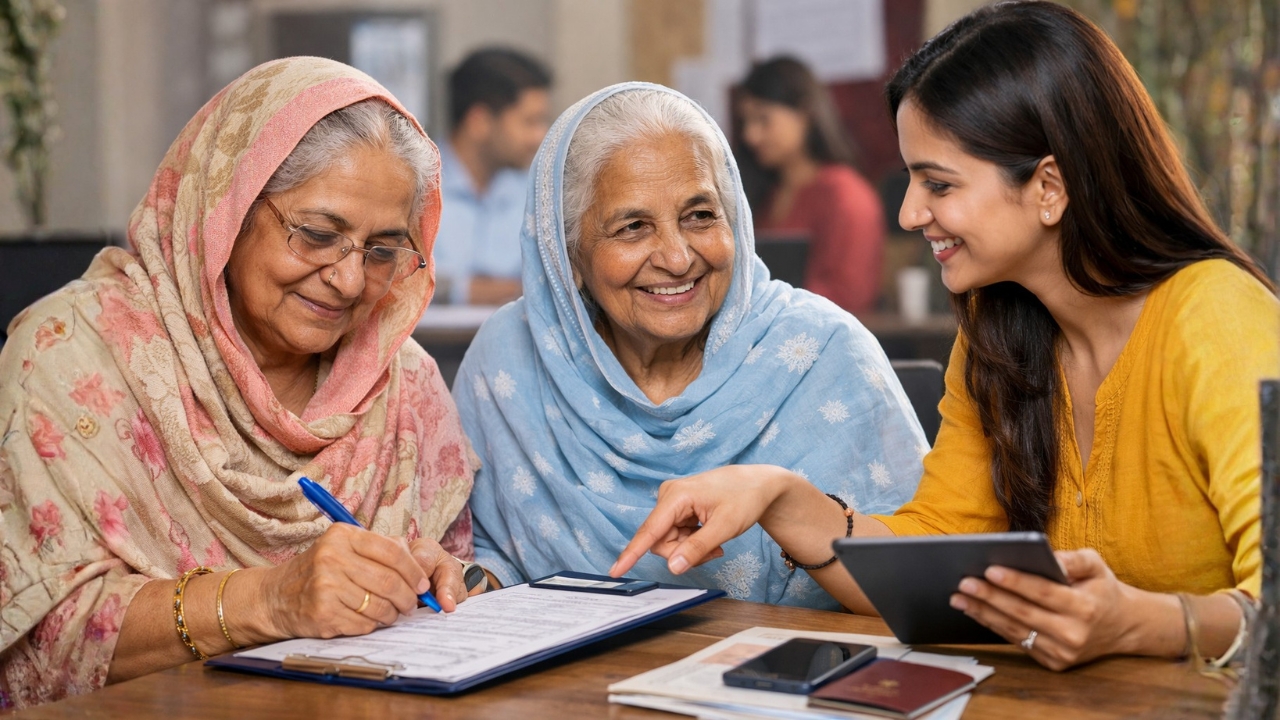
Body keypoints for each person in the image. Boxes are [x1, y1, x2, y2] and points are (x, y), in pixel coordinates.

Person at [613, 1, 1279, 671]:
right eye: (910, 181)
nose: (908, 213)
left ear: (1050, 185)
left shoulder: (1216, 319)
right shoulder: (1000, 334)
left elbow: (1273, 605)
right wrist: (778, 496)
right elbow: (933, 552)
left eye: (938, 183)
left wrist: (1144, 623)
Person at [0, 58, 479, 708]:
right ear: (227, 205)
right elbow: (39, 640)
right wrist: (275, 599)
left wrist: (445, 582)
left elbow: (453, 579)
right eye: (317, 235)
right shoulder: (73, 355)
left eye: (383, 250)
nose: (348, 279)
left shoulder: (406, 382)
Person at [452, 83, 926, 607]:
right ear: (568, 258)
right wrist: (472, 578)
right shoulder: (510, 361)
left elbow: (923, 583)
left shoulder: (822, 351)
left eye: (700, 216)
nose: (677, 259)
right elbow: (483, 551)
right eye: (633, 228)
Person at [736, 57, 886, 314]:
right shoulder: (764, 194)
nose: (751, 135)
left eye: (763, 119)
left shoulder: (845, 194)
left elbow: (849, 294)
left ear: (804, 114)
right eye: (746, 122)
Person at [434, 48, 552, 305]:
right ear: (480, 122)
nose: (539, 137)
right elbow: (401, 282)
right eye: (529, 122)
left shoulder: (532, 193)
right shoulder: (412, 185)